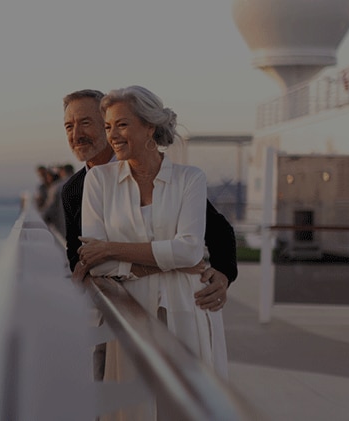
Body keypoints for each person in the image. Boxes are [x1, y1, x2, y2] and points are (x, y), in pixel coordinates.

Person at [76, 86, 227, 418]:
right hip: (130, 313)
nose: (112, 135)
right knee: (134, 409)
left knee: (186, 407)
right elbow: (96, 264)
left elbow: (189, 251)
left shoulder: (190, 178)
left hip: (188, 306)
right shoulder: (98, 181)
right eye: (108, 126)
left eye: (122, 124)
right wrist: (168, 259)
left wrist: (113, 250)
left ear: (149, 127)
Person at [59, 89, 236, 312]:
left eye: (85, 123)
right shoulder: (74, 189)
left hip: (183, 304)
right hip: (118, 308)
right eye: (69, 126)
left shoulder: (180, 178)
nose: (76, 134)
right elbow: (83, 259)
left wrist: (224, 274)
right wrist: (173, 265)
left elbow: (216, 231)